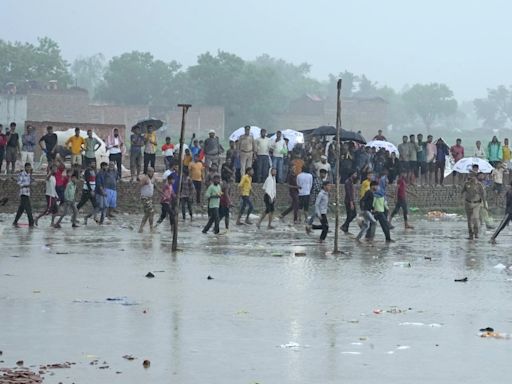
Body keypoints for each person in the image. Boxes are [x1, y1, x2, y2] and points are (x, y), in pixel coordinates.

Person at [461, 165, 485, 240]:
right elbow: (462, 192)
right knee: (469, 220)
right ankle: (470, 234)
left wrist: (484, 204)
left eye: (473, 176)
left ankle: (476, 233)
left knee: (475, 218)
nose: (471, 177)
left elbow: (483, 195)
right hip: (468, 203)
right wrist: (460, 200)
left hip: (476, 204)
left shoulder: (479, 185)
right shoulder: (466, 184)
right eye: (470, 176)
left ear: (476, 177)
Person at [12, 162, 35, 228]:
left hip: (27, 194)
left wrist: (32, 178)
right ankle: (31, 224)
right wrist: (28, 185)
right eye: (27, 167)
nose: (29, 168)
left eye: (30, 167)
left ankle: (15, 222)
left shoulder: (29, 175)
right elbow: (19, 184)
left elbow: (32, 181)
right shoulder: (21, 174)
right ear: (25, 167)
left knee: (21, 209)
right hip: (23, 194)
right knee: (29, 210)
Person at [138, 166, 155, 233]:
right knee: (151, 211)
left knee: (147, 213)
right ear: (148, 172)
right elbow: (139, 186)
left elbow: (155, 186)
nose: (152, 173)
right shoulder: (145, 179)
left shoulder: (153, 179)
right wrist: (136, 195)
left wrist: (163, 193)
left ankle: (141, 228)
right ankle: (151, 228)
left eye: (153, 172)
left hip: (149, 198)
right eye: (151, 172)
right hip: (144, 198)